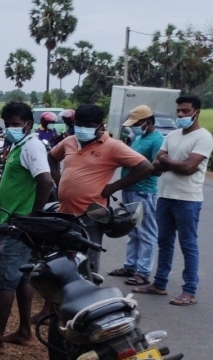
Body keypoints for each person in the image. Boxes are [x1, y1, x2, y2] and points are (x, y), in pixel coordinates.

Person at [0, 102, 54, 357]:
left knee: (5, 281)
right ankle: (24, 332)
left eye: (16, 124)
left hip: (17, 225)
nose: (11, 129)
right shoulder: (20, 145)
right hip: (12, 222)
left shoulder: (32, 146)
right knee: (22, 278)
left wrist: (33, 215)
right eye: (9, 124)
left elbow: (46, 180)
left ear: (28, 123)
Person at [47, 104, 153, 275]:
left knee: (88, 261)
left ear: (99, 125)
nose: (82, 129)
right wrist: (59, 181)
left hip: (92, 213)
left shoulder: (113, 146)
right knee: (65, 260)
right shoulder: (69, 141)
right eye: (79, 124)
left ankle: (89, 293)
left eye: (88, 125)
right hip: (64, 212)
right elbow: (52, 157)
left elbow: (145, 167)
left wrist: (112, 187)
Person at [134, 95, 213, 306]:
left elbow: (188, 168)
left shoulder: (203, 137)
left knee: (188, 245)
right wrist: (171, 162)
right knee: (164, 242)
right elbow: (155, 164)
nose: (180, 115)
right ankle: (159, 284)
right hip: (166, 196)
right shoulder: (172, 135)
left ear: (197, 112)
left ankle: (189, 291)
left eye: (185, 111)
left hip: (188, 199)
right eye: (178, 111)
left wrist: (166, 160)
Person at [107, 106, 164, 287]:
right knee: (132, 231)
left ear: (147, 122)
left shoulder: (157, 140)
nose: (134, 127)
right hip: (130, 189)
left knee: (146, 232)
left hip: (143, 190)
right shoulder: (139, 137)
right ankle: (130, 265)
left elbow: (155, 169)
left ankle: (143, 271)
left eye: (137, 124)